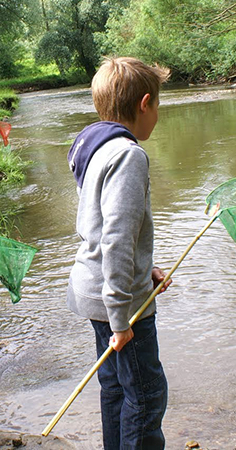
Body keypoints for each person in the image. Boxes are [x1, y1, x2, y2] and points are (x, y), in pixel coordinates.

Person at [66, 57, 172, 449]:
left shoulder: (92, 143)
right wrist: (121, 316)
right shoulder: (129, 155)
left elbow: (105, 226)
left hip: (94, 289)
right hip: (119, 301)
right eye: (158, 106)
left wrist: (147, 271)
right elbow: (116, 238)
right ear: (145, 103)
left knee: (114, 388)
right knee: (146, 395)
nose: (157, 115)